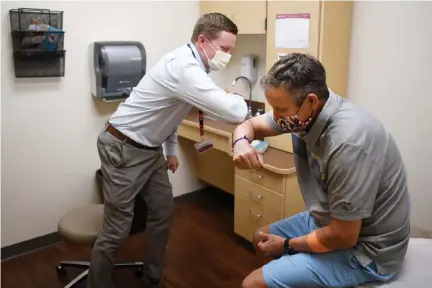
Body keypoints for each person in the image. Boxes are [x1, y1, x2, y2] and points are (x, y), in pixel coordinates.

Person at [88, 13, 248, 288]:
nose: (228, 56)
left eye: (231, 50)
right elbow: (236, 112)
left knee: (163, 211)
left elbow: (173, 111)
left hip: (149, 150)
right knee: (117, 229)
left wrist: (171, 150)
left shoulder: (195, 67)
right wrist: (236, 96)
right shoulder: (183, 67)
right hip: (123, 147)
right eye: (224, 49)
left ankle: (153, 275)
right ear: (202, 41)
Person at [232, 53, 410, 288]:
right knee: (260, 237)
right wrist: (241, 143)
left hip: (368, 249)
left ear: (312, 102)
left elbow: (345, 235)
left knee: (252, 283)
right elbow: (250, 125)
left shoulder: (348, 142)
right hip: (330, 219)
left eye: (280, 109)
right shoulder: (305, 113)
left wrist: (287, 244)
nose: (275, 117)